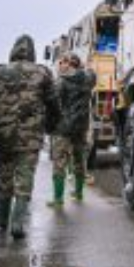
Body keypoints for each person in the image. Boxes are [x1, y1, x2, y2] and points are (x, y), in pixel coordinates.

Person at [0, 35, 60, 239]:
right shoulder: (43, 72)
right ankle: (17, 222)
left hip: (3, 134)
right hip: (31, 136)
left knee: (4, 176)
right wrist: (51, 127)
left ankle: (2, 217)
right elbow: (53, 104)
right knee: (25, 175)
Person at [47, 53, 96, 207]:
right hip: (81, 126)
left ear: (68, 64)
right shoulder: (88, 79)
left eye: (62, 62)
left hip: (63, 127)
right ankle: (79, 193)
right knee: (79, 159)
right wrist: (86, 66)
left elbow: (54, 104)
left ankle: (58, 199)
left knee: (59, 161)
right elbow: (92, 73)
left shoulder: (61, 81)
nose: (60, 65)